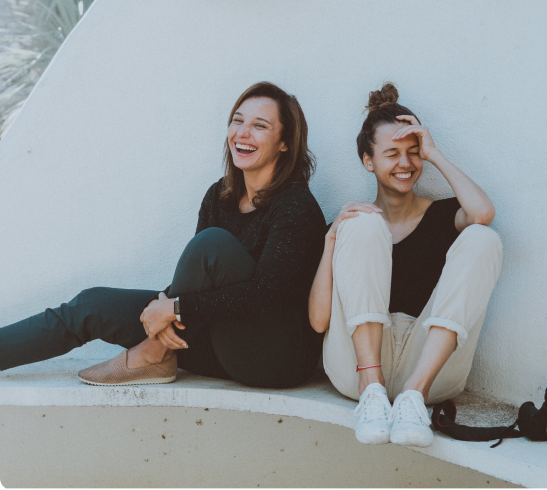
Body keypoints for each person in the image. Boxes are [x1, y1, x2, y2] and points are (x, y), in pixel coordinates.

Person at [0, 82, 326, 389]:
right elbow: (197, 278)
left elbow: (266, 293)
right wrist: (165, 305)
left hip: (272, 358)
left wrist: (176, 308)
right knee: (90, 305)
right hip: (213, 341)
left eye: (260, 125)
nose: (242, 132)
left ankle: (154, 354)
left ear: (285, 142)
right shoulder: (220, 196)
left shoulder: (295, 205)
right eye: (237, 120)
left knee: (211, 244)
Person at [308, 83, 502, 446]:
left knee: (482, 236)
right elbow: (319, 321)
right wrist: (331, 238)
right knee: (362, 222)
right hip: (356, 368)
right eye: (392, 153)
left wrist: (435, 154)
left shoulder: (443, 215)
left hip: (429, 370)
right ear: (369, 161)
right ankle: (372, 388)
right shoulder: (352, 226)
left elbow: (483, 213)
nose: (405, 163)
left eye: (413, 153)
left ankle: (412, 395)